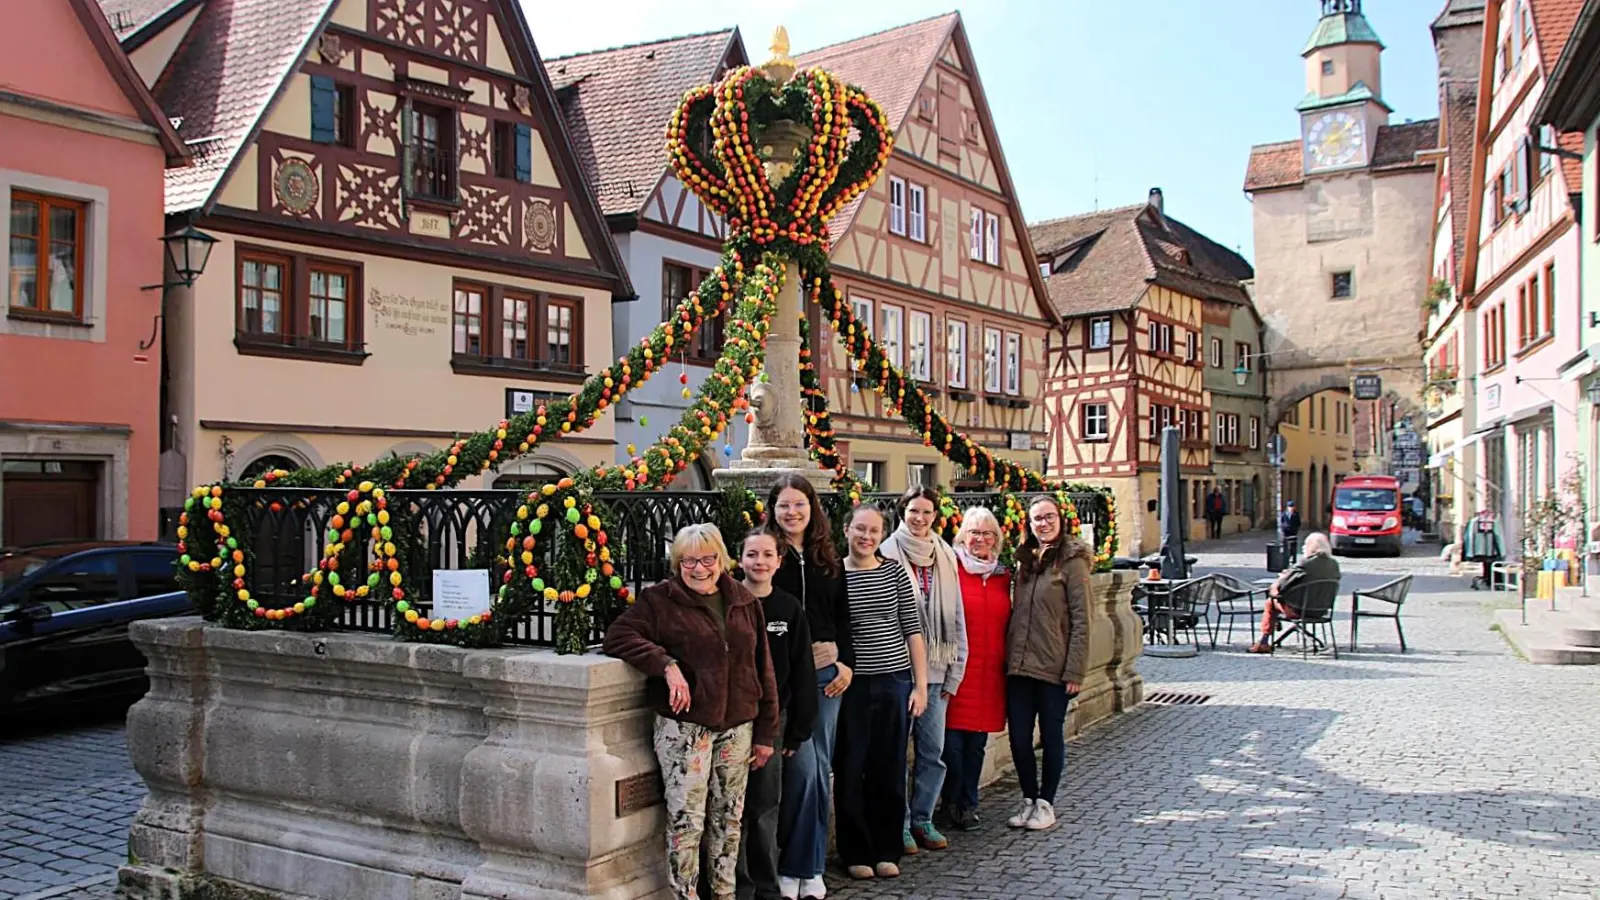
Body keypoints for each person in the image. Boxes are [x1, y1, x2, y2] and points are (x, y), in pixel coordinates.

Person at [602, 524, 780, 900]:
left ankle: (725, 894)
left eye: (707, 559)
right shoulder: (660, 600)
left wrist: (766, 733)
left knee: (729, 819)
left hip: (738, 725)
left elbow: (763, 669)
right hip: (687, 729)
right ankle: (685, 895)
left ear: (721, 559)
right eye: (689, 561)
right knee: (687, 820)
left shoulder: (744, 601)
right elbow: (618, 635)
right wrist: (666, 665)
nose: (699, 569)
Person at [764, 474, 851, 900]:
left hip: (826, 678)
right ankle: (801, 864)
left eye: (799, 504)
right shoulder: (767, 554)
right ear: (773, 510)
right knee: (805, 772)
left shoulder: (827, 556)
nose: (792, 512)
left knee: (818, 772)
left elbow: (844, 617)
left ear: (812, 507)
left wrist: (846, 664)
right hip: (785, 680)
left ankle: (809, 869)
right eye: (784, 506)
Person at [834, 505, 929, 881]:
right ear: (846, 530)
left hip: (894, 679)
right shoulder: (835, 574)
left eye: (874, 531)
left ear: (881, 535)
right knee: (851, 767)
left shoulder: (893, 572)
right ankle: (855, 851)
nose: (866, 537)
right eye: (860, 529)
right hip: (852, 685)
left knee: (888, 768)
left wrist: (920, 685)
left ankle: (887, 848)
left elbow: (913, 630)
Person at [878, 487, 967, 854]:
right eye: (913, 511)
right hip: (900, 672)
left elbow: (958, 616)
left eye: (926, 512)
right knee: (896, 752)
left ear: (935, 516)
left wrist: (955, 672)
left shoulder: (945, 554)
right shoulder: (887, 552)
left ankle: (922, 818)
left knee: (933, 752)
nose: (920, 518)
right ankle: (897, 823)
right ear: (903, 512)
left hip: (937, 673)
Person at [732, 530, 818, 900]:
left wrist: (798, 728)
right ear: (739, 560)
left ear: (779, 562)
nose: (760, 562)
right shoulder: (727, 602)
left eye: (768, 555)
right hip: (731, 720)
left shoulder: (788, 608)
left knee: (764, 808)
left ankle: (767, 887)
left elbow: (803, 671)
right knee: (729, 809)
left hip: (774, 722)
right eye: (752, 554)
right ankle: (735, 886)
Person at [1004, 496, 1090, 833]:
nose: (1043, 523)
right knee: (1019, 737)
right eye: (1037, 518)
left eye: (1049, 517)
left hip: (1054, 667)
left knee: (1051, 735)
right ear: (1029, 523)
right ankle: (1028, 797)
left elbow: (1083, 620)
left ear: (1060, 519)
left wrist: (1075, 671)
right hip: (1019, 666)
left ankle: (1046, 802)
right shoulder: (1026, 560)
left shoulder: (1072, 562)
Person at [938, 506, 1010, 833]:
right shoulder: (950, 569)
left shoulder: (1003, 576)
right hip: (957, 670)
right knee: (951, 744)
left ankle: (969, 804)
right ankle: (950, 802)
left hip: (990, 672)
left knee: (976, 746)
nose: (980, 539)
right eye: (974, 532)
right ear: (962, 536)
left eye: (987, 533)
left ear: (996, 539)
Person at [1250, 531, 1341, 654]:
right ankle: (1274, 625)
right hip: (1322, 610)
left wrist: (1282, 577)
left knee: (1270, 602)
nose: (1303, 547)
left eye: (1305, 545)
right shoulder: (1334, 564)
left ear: (1311, 546)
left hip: (1299, 609)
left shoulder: (1305, 564)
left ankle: (1264, 641)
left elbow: (1282, 587)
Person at [1278, 499, 1303, 564]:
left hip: (1293, 532)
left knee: (1293, 547)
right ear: (1287, 507)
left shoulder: (1296, 514)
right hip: (1285, 532)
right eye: (1290, 507)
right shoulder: (1284, 514)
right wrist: (1283, 528)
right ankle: (1286, 559)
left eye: (1292, 507)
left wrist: (1295, 529)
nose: (1291, 508)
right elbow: (1282, 521)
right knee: (1285, 546)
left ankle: (1294, 559)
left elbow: (1298, 523)